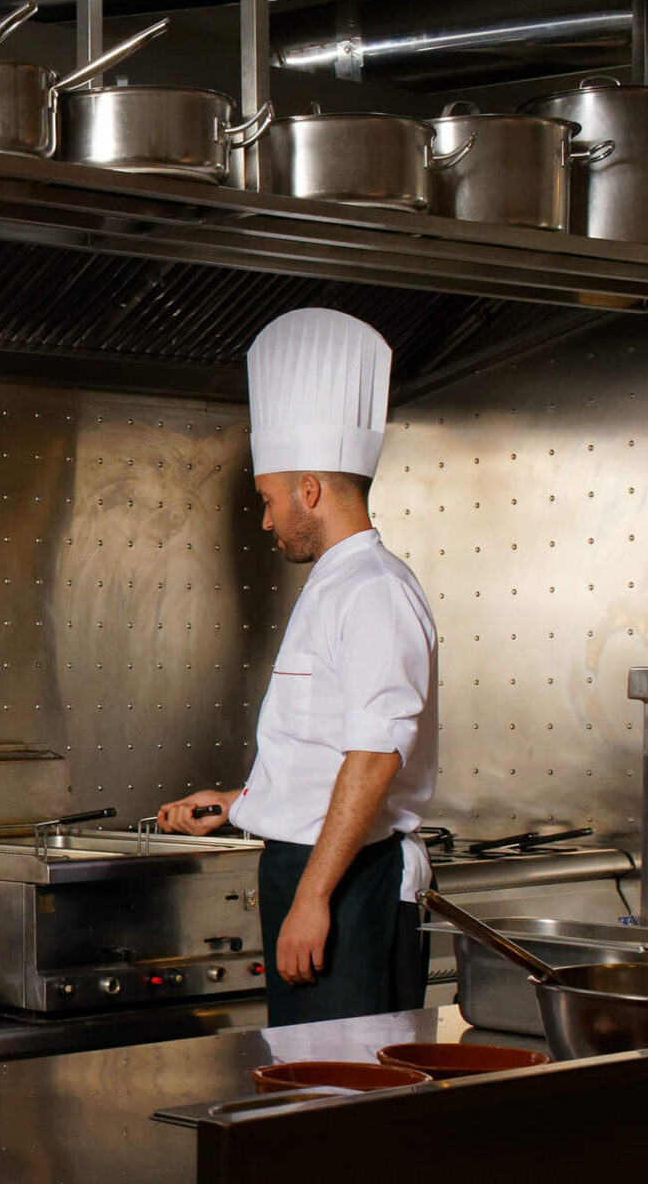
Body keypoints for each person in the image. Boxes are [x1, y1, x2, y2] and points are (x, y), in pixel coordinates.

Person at [155, 308, 439, 1027]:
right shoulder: (336, 584)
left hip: (350, 887)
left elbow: (374, 758)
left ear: (310, 489)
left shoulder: (375, 590)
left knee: (344, 1106)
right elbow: (324, 750)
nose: (266, 518)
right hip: (316, 871)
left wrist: (314, 897)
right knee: (309, 1095)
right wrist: (243, 801)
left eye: (270, 498)